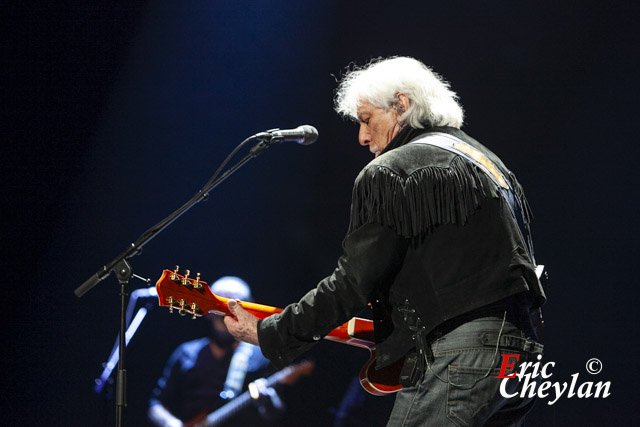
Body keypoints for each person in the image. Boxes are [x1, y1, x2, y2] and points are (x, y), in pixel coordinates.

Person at [224, 56, 546, 426]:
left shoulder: (391, 170)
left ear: (401, 106)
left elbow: (351, 283)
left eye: (366, 119)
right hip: (520, 354)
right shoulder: (488, 162)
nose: (362, 137)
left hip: (463, 353)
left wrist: (272, 333)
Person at [148, 276, 283, 427]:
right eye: (218, 305)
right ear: (206, 311)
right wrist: (172, 424)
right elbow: (157, 403)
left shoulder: (261, 355)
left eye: (233, 307)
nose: (224, 314)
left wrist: (267, 399)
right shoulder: (186, 353)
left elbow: (276, 414)